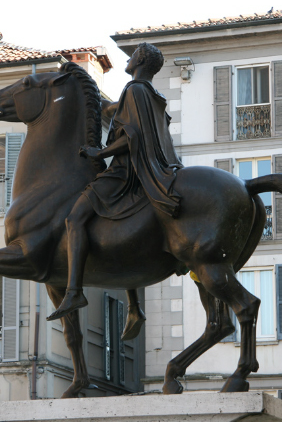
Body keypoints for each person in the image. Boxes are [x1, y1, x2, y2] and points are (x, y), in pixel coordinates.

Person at [47, 43, 183, 340]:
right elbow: (116, 112)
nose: (129, 58)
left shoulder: (134, 90)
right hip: (145, 171)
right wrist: (86, 94)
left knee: (75, 218)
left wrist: (99, 152)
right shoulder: (152, 94)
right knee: (117, 232)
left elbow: (133, 135)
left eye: (133, 55)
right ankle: (134, 306)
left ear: (140, 60)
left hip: (125, 173)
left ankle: (73, 291)